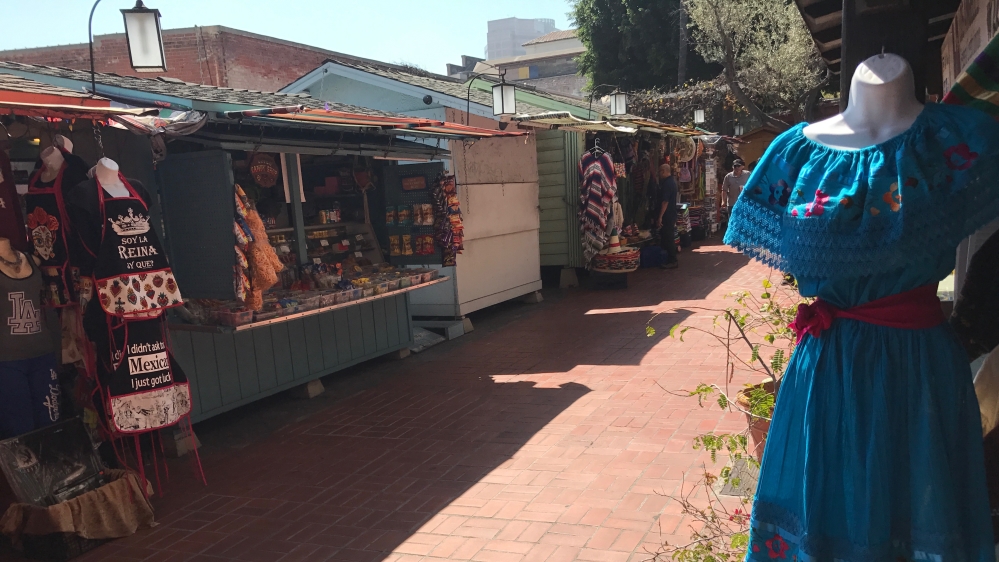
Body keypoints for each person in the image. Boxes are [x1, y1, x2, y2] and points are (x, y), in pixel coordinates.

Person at [725, 52, 997, 561]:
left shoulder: (956, 140)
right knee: (824, 511)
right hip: (827, 369)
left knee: (921, 512)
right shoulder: (794, 154)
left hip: (919, 370)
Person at [656, 163, 678, 269]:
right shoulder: (671, 182)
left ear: (664, 171)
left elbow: (665, 201)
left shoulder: (667, 184)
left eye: (660, 171)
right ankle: (669, 259)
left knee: (668, 237)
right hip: (671, 214)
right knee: (667, 237)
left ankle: (673, 260)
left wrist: (660, 216)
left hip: (668, 215)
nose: (659, 174)